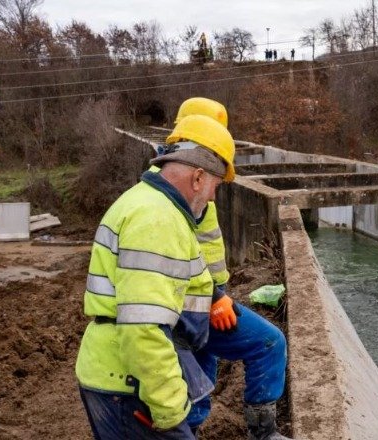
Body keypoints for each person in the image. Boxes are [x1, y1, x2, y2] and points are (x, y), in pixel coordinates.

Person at [75, 114, 236, 440]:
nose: (214, 198)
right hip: (127, 383)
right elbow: (143, 329)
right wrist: (170, 410)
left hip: (120, 377)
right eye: (215, 187)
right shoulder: (157, 220)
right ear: (197, 178)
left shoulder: (150, 203)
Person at [169, 98, 291, 440]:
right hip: (197, 304)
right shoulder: (178, 191)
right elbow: (179, 254)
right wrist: (215, 295)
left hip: (201, 302)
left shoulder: (175, 183)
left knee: (198, 381)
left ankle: (192, 431)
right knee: (269, 344)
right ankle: (262, 434)